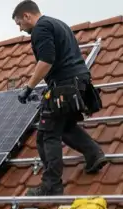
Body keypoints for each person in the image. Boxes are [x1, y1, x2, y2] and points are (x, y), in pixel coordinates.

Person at [13, 1, 107, 196]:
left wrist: (29, 88)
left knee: (47, 135)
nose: (21, 29)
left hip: (64, 88)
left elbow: (46, 60)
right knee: (64, 126)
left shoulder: (41, 29)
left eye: (19, 24)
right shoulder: (58, 24)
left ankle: (52, 184)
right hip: (79, 85)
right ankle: (93, 154)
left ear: (27, 16)